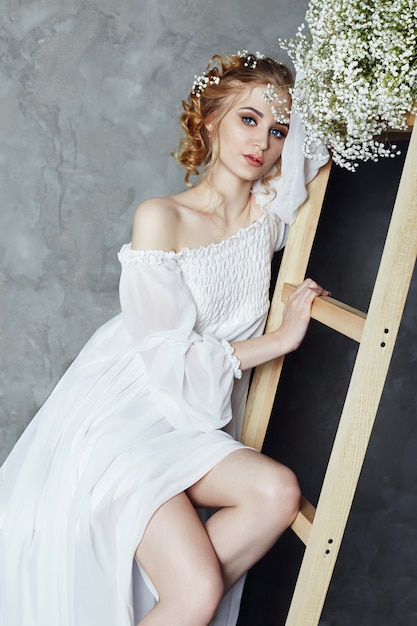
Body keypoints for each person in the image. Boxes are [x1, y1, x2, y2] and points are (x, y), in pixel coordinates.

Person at [0, 50, 329, 626]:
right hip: (126, 419)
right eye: (247, 119)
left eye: (278, 130)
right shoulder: (162, 216)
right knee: (196, 593)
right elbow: (168, 360)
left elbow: (326, 140)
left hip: (193, 420)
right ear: (210, 119)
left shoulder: (269, 216)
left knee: (276, 494)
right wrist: (279, 340)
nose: (264, 142)